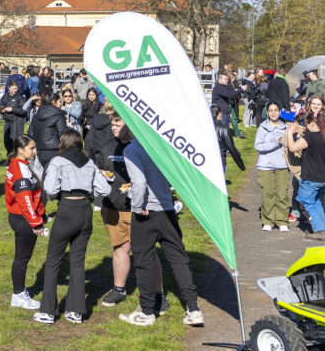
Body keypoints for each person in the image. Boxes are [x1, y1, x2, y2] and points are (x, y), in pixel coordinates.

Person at [119, 139, 204, 327]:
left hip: (146, 213)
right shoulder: (163, 144)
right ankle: (193, 308)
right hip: (167, 211)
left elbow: (139, 182)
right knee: (179, 260)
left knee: (143, 261)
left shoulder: (132, 149)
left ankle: (147, 311)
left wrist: (137, 206)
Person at [35, 130, 111, 325]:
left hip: (67, 209)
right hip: (85, 210)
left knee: (53, 262)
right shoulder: (89, 162)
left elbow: (50, 190)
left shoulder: (58, 161)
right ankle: (75, 311)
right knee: (78, 262)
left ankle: (48, 311)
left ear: (63, 142)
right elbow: (105, 189)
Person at [94, 114, 163, 309]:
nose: (113, 126)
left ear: (129, 125)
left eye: (118, 123)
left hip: (138, 208)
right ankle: (119, 289)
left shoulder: (142, 146)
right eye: (113, 123)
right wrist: (101, 175)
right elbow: (99, 168)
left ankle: (158, 293)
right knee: (120, 248)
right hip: (113, 207)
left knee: (148, 250)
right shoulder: (108, 146)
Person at [5, 135, 45, 310]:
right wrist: (36, 223)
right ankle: (18, 295)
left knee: (21, 258)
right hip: (23, 219)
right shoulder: (20, 172)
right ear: (20, 150)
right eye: (31, 148)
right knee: (22, 258)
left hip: (21, 216)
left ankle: (19, 293)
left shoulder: (18, 165)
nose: (34, 152)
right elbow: (25, 201)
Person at [287, 96, 325, 241]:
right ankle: (324, 227)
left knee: (306, 201)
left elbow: (293, 147)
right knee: (317, 201)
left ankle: (319, 230)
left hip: (312, 177)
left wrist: (289, 132)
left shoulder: (311, 137)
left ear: (314, 125)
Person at [254, 102, 291, 232]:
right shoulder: (262, 128)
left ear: (280, 112)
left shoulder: (286, 127)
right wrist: (275, 143)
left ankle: (282, 221)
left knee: (282, 194)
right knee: (268, 194)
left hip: (282, 165)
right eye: (271, 110)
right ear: (267, 112)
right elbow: (258, 146)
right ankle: (268, 220)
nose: (274, 112)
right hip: (266, 166)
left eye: (276, 110)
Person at [28, 92, 67, 167]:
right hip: (55, 150)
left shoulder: (36, 115)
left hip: (40, 151)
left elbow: (30, 134)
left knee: (47, 174)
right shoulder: (59, 116)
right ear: (53, 102)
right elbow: (63, 135)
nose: (61, 104)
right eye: (59, 102)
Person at [0, 80, 27, 158]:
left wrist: (12, 109)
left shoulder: (21, 97)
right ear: (9, 88)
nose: (15, 90)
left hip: (17, 121)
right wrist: (1, 110)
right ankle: (9, 158)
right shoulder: (5, 96)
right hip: (7, 121)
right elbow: (0, 105)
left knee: (15, 141)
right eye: (13, 88)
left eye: (16, 88)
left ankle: (15, 159)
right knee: (7, 141)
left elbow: (24, 111)